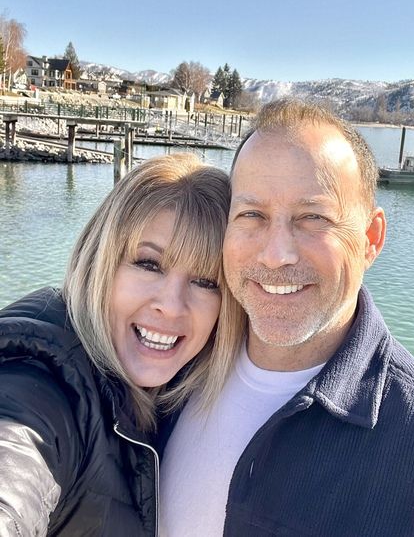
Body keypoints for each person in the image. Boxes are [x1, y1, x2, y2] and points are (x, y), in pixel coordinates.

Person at [160, 98, 414, 536]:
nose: (276, 255)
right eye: (252, 215)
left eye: (313, 218)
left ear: (371, 239)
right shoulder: (168, 369)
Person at [0, 153, 245, 536]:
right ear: (100, 261)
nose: (171, 305)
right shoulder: (39, 383)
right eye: (148, 264)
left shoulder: (177, 396)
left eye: (206, 282)